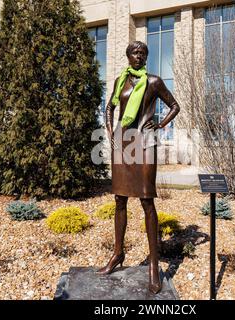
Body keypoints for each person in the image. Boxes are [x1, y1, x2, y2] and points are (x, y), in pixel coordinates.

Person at [97, 41, 180, 294]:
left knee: (147, 200)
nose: (139, 56)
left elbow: (175, 106)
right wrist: (110, 129)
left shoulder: (153, 82)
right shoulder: (121, 81)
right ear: (128, 56)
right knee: (120, 200)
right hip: (123, 142)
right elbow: (110, 106)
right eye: (135, 52)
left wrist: (161, 124)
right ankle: (118, 254)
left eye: (143, 53)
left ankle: (153, 265)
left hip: (145, 143)